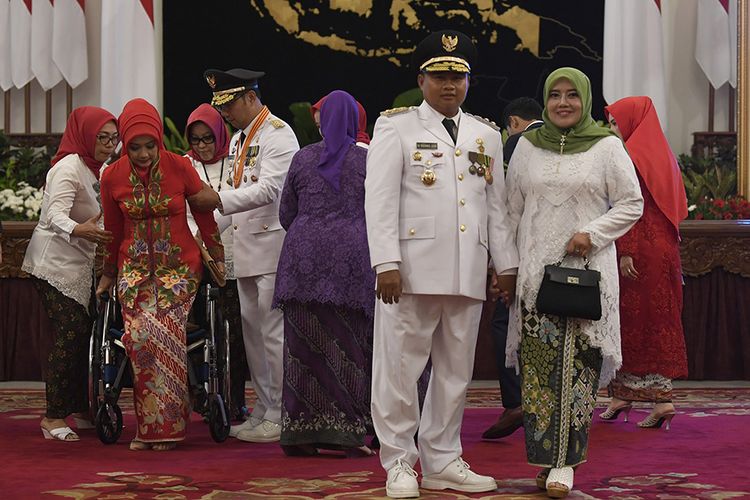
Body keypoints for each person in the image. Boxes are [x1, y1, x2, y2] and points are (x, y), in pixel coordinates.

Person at [365, 30, 519, 498]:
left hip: (466, 269)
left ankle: (443, 458)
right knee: (399, 369)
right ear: (422, 79)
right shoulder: (396, 127)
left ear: (469, 80)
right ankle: (398, 462)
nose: (448, 84)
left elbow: (496, 205)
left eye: (457, 75)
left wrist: (505, 264)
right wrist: (385, 262)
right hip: (409, 270)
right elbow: (380, 201)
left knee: (455, 371)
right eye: (439, 75)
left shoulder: (486, 133)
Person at [504, 67, 643, 497]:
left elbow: (631, 203)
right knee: (540, 374)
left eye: (572, 96)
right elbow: (510, 211)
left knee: (578, 370)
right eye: (555, 95)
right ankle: (546, 459)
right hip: (534, 277)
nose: (563, 103)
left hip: (585, 276)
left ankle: (566, 462)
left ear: (584, 100)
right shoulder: (526, 147)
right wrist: (507, 269)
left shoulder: (606, 146)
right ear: (545, 101)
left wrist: (592, 234)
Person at [96, 98, 224, 451]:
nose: (143, 154)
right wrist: (109, 273)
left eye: (149, 146)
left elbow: (204, 214)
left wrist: (216, 254)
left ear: (159, 141)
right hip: (134, 272)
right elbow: (113, 228)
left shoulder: (180, 166)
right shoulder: (112, 176)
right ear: (125, 143)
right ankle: (151, 426)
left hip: (179, 269)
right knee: (137, 337)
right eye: (135, 147)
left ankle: (167, 425)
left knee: (163, 329)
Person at [188, 68, 300, 443]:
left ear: (251, 97)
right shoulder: (238, 141)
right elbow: (235, 201)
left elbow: (270, 189)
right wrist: (203, 237)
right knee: (253, 335)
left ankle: (283, 412)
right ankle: (264, 409)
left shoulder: (279, 135)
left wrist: (217, 198)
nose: (225, 114)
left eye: (230, 105)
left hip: (272, 248)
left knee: (274, 334)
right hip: (247, 250)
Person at [274, 90, 375, 457]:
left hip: (301, 260)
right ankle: (346, 435)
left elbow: (287, 213)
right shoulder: (368, 161)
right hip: (349, 262)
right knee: (347, 345)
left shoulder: (303, 158)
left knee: (301, 347)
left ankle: (299, 435)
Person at [22, 106, 117, 441]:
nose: (108, 145)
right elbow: (52, 216)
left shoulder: (99, 169)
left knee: (84, 333)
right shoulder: (67, 167)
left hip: (78, 263)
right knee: (72, 332)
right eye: (101, 138)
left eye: (113, 138)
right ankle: (52, 416)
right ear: (86, 135)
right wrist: (80, 230)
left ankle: (78, 406)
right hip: (52, 264)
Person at [600, 96, 688, 429]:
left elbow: (632, 209)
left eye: (614, 123)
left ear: (631, 123)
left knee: (632, 322)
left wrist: (626, 250)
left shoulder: (631, 156)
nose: (610, 129)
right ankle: (628, 395)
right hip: (663, 250)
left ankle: (657, 399)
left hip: (638, 250)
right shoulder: (661, 153)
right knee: (658, 320)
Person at [482, 96, 543, 441]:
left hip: (521, 250)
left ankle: (516, 401)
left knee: (504, 323)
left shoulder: (517, 143)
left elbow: (504, 203)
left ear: (514, 123)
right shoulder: (558, 139)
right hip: (558, 248)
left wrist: (500, 262)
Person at [183, 103, 249, 420]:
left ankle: (235, 400)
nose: (203, 146)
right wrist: (198, 237)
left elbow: (240, 203)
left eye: (208, 138)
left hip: (233, 258)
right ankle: (200, 396)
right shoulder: (185, 165)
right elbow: (181, 210)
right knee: (198, 332)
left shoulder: (236, 160)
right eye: (196, 140)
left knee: (234, 334)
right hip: (196, 257)